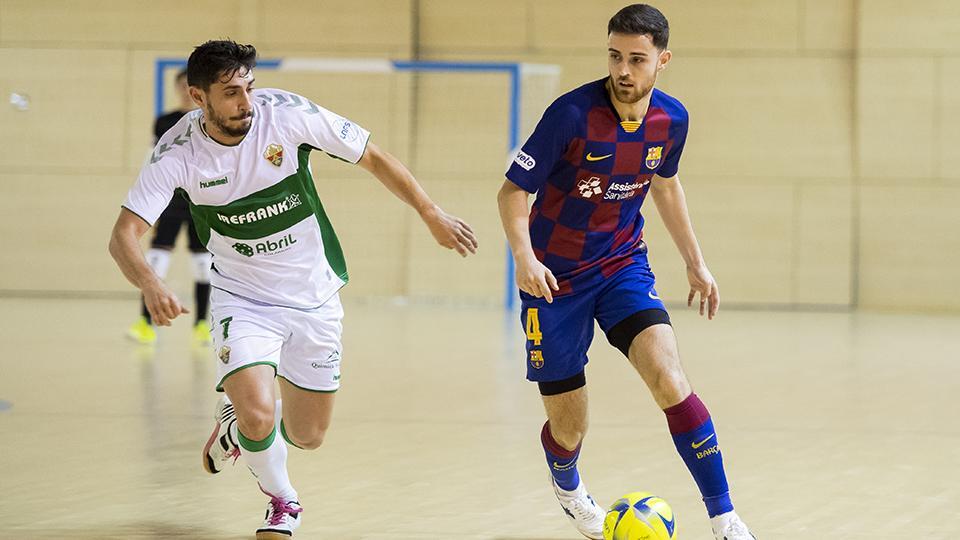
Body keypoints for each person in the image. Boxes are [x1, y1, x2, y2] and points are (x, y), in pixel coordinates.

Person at [108, 40, 478, 539]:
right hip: (243, 297)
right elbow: (124, 235)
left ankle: (236, 427)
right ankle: (283, 501)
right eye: (231, 92)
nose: (246, 102)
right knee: (261, 414)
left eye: (249, 88)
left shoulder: (287, 115)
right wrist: (151, 283)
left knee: (309, 435)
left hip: (315, 293)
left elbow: (373, 156)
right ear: (198, 98)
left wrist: (430, 212)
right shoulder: (178, 153)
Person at [497, 5, 756, 540]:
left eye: (637, 59)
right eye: (615, 56)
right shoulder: (570, 115)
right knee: (569, 426)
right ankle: (568, 485)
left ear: (662, 61)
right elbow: (513, 192)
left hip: (621, 267)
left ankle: (726, 518)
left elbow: (664, 184)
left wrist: (695, 261)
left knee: (669, 378)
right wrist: (524, 258)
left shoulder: (671, 120)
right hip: (554, 281)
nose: (623, 69)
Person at [127, 69, 212, 345]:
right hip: (169, 202)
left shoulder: (209, 120)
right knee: (156, 262)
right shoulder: (165, 121)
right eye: (182, 86)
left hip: (200, 202)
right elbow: (151, 159)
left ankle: (201, 324)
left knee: (203, 265)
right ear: (178, 89)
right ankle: (145, 322)